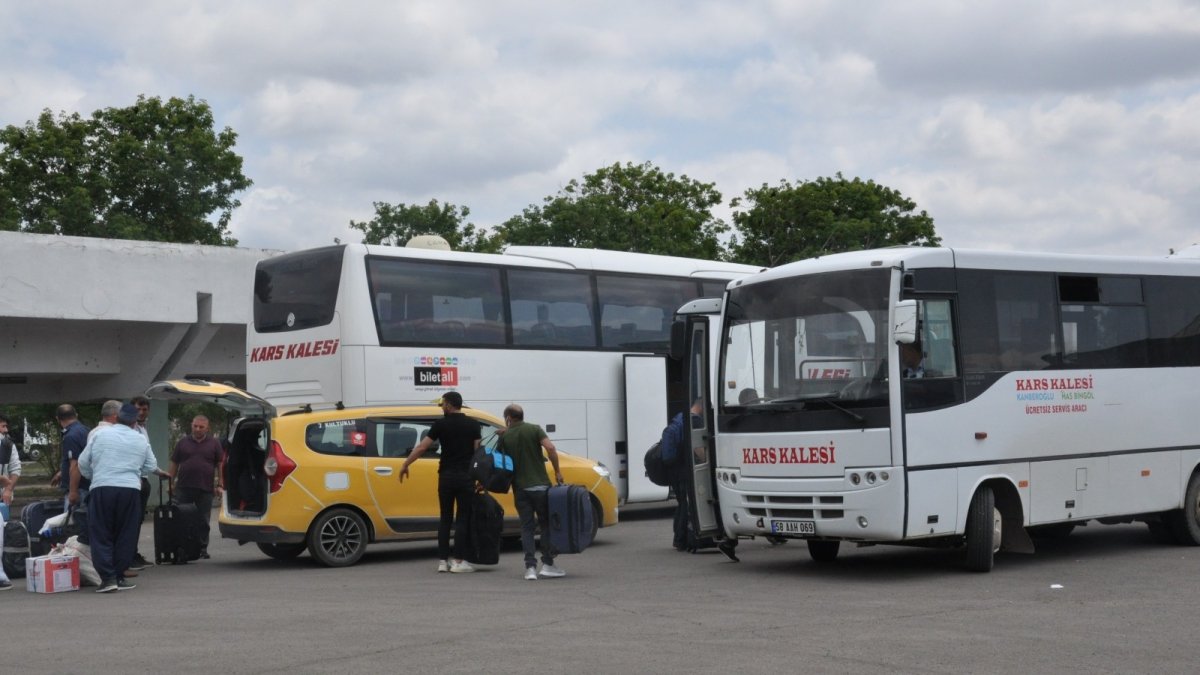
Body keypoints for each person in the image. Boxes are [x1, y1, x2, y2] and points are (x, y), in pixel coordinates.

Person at [78, 403, 165, 592]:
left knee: (101, 533)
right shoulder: (140, 440)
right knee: (126, 533)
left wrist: (94, 476)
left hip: (102, 488)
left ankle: (108, 578)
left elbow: (83, 462)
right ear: (134, 422)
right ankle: (119, 575)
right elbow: (151, 466)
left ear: (117, 417)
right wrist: (134, 471)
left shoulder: (100, 434)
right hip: (130, 490)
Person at [397, 391, 481, 574]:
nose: (442, 406)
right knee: (462, 519)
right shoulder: (474, 425)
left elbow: (422, 447)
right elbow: (477, 453)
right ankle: (458, 561)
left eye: (443, 403)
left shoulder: (440, 425)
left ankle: (443, 561)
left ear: (450, 404)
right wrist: (479, 478)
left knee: (445, 518)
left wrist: (406, 463)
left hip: (446, 476)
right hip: (466, 477)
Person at [664, 399, 740, 561]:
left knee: (682, 504)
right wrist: (709, 462)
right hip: (687, 471)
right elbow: (698, 448)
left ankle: (679, 540)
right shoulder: (695, 420)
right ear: (702, 407)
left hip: (676, 470)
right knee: (689, 504)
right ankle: (683, 540)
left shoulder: (680, 418)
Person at [497, 403, 564, 580]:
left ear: (508, 418)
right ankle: (548, 565)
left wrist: (504, 434)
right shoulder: (535, 429)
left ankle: (530, 569)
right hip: (541, 486)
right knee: (545, 525)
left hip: (520, 489)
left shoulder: (505, 436)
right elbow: (550, 448)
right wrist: (557, 471)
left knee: (526, 527)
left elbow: (500, 462)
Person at [168, 415, 225, 559]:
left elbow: (220, 464)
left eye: (201, 427)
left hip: (205, 487)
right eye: (195, 426)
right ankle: (184, 547)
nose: (198, 429)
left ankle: (202, 548)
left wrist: (220, 484)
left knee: (203, 519)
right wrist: (170, 483)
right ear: (191, 425)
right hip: (184, 487)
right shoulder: (182, 443)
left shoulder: (214, 443)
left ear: (207, 428)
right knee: (182, 518)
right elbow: (175, 463)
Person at [50, 404, 90, 511]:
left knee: (73, 524)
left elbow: (75, 464)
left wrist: (73, 492)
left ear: (58, 419)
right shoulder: (86, 430)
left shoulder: (70, 436)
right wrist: (61, 473)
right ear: (76, 415)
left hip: (80, 488)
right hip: (88, 485)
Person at [129, 396, 153, 570]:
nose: (142, 412)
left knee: (138, 520)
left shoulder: (143, 429)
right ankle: (128, 556)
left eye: (144, 409)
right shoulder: (129, 429)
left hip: (144, 479)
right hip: (133, 480)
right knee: (131, 520)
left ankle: (133, 553)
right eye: (138, 409)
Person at [0, 414, 22, 591]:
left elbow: (15, 468)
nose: (5, 431)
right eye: (2, 427)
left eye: (5, 427)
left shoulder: (7, 445)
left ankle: (0, 574)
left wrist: (8, 489)